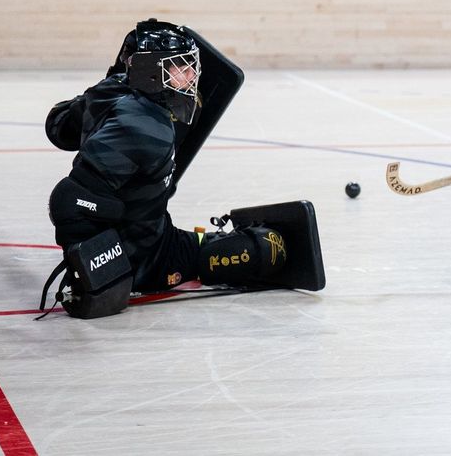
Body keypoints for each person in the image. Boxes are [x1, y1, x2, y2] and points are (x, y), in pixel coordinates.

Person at [42, 19, 301, 318]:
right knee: (269, 248)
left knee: (210, 240)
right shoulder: (145, 128)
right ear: (149, 71)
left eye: (190, 66)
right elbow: (69, 200)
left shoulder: (109, 92)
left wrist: (107, 85)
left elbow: (58, 127)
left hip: (152, 231)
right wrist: (98, 269)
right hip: (146, 258)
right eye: (179, 67)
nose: (192, 75)